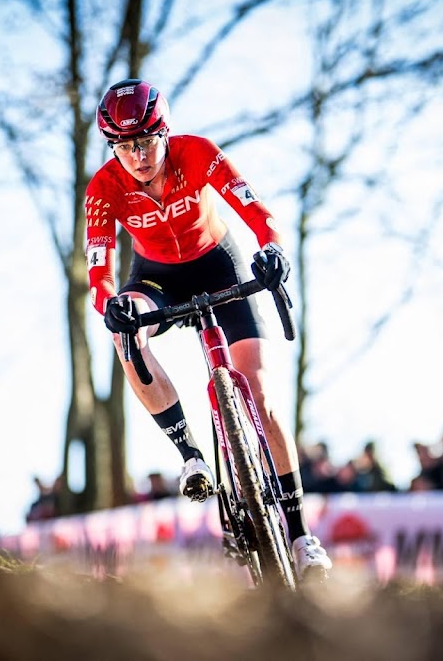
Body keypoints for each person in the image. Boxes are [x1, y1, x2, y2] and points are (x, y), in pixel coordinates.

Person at [85, 78, 330, 578]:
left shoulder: (197, 153)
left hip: (221, 263)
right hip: (157, 278)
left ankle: (301, 534)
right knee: (124, 332)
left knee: (259, 395)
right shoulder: (104, 188)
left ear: (165, 133)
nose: (137, 155)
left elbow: (253, 208)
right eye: (124, 146)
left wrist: (272, 246)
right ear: (113, 148)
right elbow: (99, 272)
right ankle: (191, 455)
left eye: (146, 141)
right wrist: (111, 304)